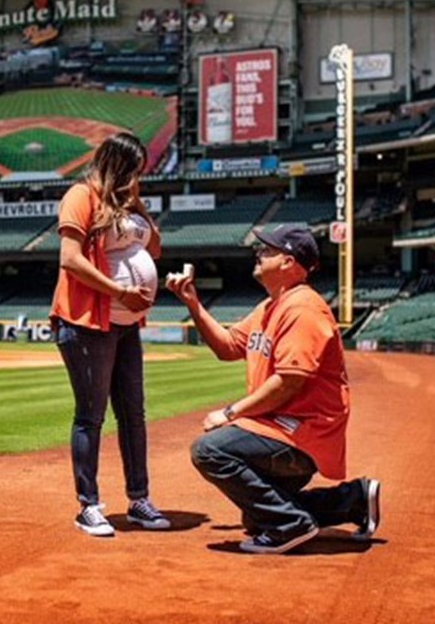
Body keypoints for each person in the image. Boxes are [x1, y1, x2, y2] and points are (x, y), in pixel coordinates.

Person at [166, 224, 381, 554]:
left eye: (267, 249)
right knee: (258, 517)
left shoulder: (303, 309)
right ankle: (352, 500)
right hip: (280, 429)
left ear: (288, 262)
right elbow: (226, 347)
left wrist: (230, 413)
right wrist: (192, 303)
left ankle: (290, 526)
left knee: (210, 450)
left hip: (304, 432)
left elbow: (290, 381)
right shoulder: (269, 307)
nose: (258, 252)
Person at [50, 132, 170, 537]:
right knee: (91, 416)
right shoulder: (81, 196)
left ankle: (139, 500)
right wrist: (120, 291)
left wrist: (137, 204)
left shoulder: (127, 206)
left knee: (133, 414)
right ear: (116, 164)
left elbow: (155, 250)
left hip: (125, 325)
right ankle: (89, 506)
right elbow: (70, 259)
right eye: (133, 170)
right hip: (87, 322)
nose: (138, 177)